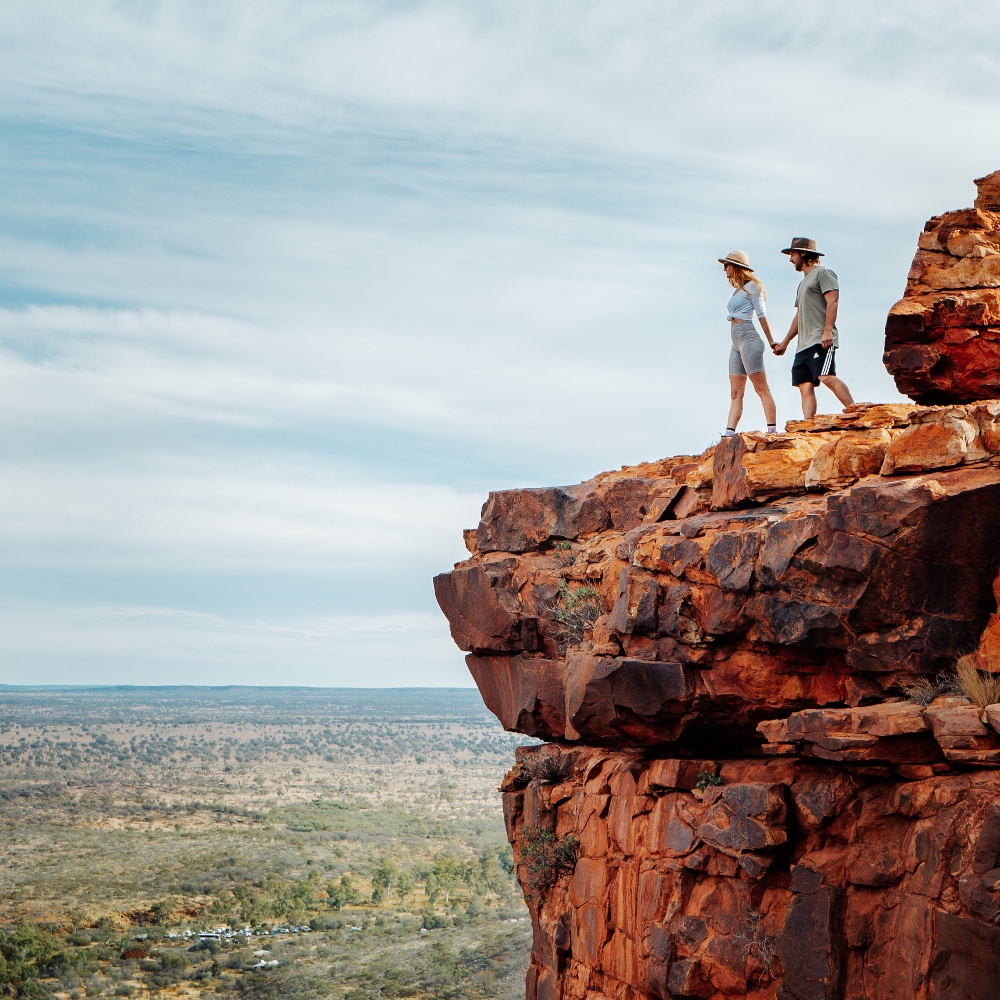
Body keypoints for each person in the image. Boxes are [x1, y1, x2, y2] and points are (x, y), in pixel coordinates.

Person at [772, 237, 855, 418]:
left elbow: (832, 301)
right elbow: (799, 315)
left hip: (820, 338)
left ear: (803, 253)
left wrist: (827, 331)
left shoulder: (823, 273)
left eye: (792, 254)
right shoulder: (802, 284)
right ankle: (808, 425)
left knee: (825, 376)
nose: (790, 259)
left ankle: (855, 411)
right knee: (805, 385)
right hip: (803, 345)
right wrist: (785, 342)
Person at [718, 250, 777, 437]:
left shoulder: (752, 287)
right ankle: (728, 435)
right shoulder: (738, 290)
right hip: (736, 342)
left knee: (761, 388)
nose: (724, 269)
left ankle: (772, 431)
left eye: (727, 265)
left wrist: (771, 341)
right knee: (735, 393)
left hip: (749, 339)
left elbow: (761, 315)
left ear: (736, 266)